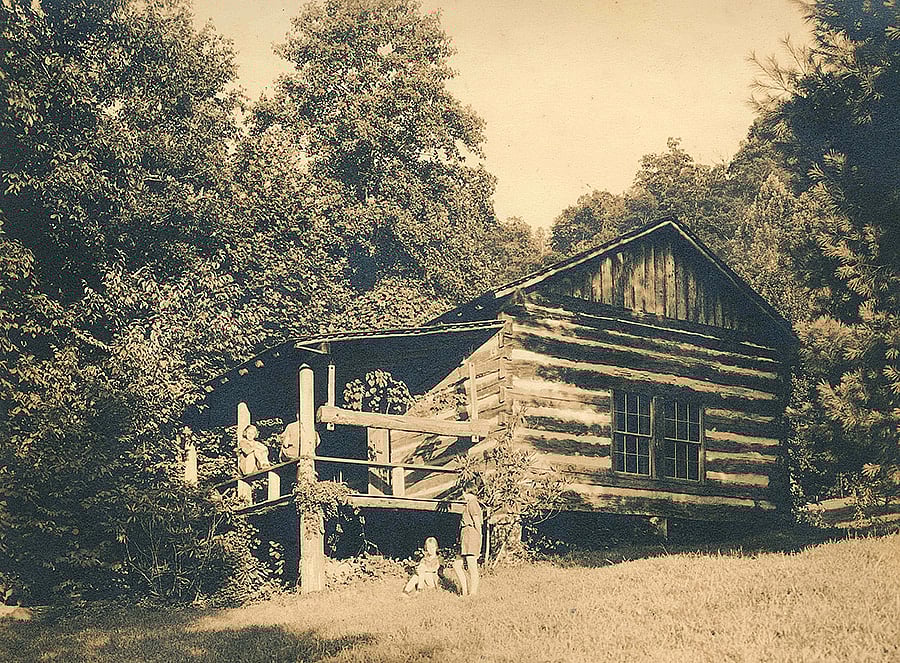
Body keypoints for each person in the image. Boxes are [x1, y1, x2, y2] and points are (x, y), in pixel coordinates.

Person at [452, 490, 483, 596]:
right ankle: (464, 591)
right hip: (465, 535)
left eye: (464, 493)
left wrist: (479, 538)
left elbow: (477, 522)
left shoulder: (473, 503)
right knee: (456, 564)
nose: (463, 495)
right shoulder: (469, 504)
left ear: (469, 492)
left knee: (471, 564)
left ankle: (473, 593)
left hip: (471, 534)